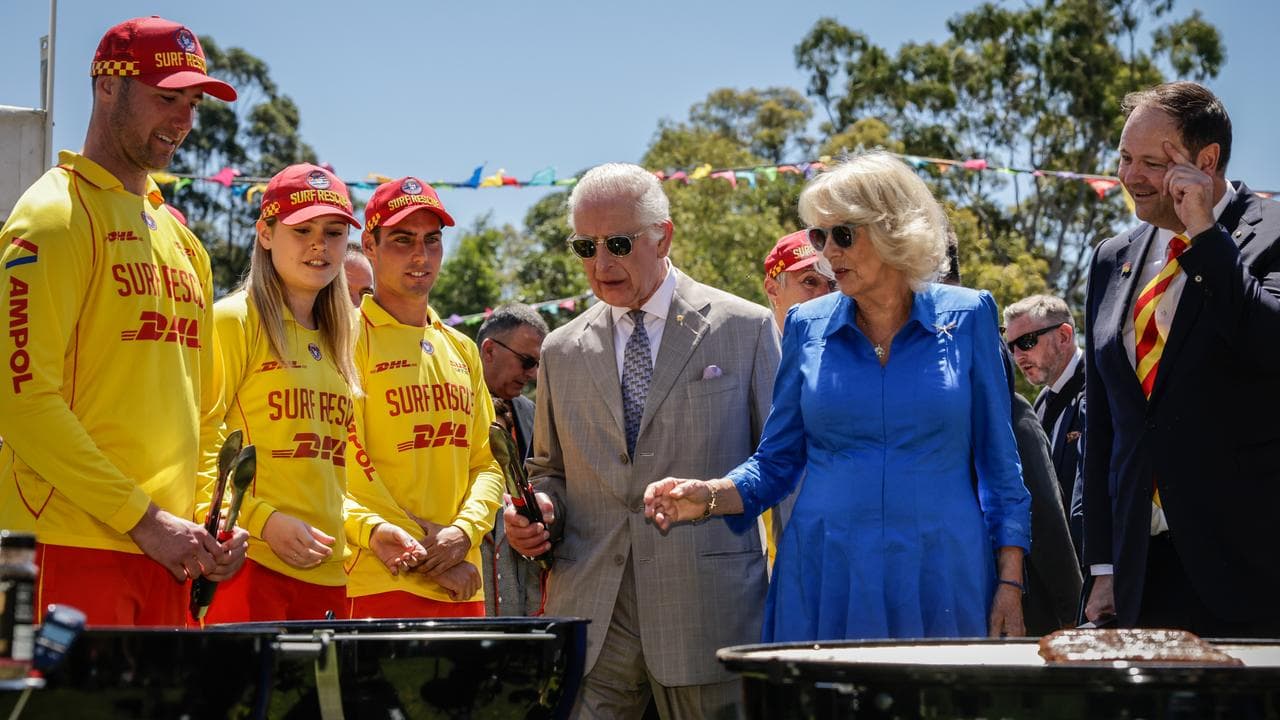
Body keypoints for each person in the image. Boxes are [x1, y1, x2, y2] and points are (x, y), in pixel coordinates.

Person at [645, 151, 1031, 643]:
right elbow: (776, 463)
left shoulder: (970, 314)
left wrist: (1010, 582)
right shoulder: (805, 324)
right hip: (826, 573)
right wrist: (710, 495)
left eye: (843, 236)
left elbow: (1001, 467)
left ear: (893, 230)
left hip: (944, 572)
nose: (828, 254)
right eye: (818, 237)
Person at [504, 162, 777, 719]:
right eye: (586, 247)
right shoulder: (560, 350)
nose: (601, 263)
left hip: (709, 612)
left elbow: (781, 465)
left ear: (663, 237)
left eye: (619, 244)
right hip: (594, 616)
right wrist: (541, 511)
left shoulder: (744, 328)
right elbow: (548, 470)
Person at [0, 16, 248, 626]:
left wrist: (213, 517)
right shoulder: (52, 217)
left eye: (193, 104)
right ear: (108, 87)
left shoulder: (185, 244)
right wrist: (145, 519)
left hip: (170, 554)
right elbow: (22, 401)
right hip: (65, 543)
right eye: (167, 98)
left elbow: (204, 415)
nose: (184, 121)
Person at [1082, 81, 1280, 636]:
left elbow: (1268, 340)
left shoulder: (1273, 231)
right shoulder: (1111, 258)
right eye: (1124, 157)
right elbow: (1105, 426)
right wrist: (1102, 565)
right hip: (1140, 576)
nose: (1130, 176)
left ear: (1207, 161)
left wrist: (1205, 235)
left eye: (1151, 162)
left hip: (1251, 573)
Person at [199, 164, 427, 622]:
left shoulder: (343, 338)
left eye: (334, 232)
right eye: (302, 230)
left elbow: (329, 479)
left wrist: (369, 529)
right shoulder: (233, 321)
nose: (319, 245)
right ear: (266, 234)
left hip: (329, 576)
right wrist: (264, 522)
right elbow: (196, 452)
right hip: (247, 566)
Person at [346, 176, 504, 618]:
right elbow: (344, 469)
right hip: (378, 582)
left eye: (432, 240)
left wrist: (464, 533)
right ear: (370, 246)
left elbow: (488, 462)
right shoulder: (345, 339)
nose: (421, 255)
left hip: (462, 583)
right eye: (402, 240)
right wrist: (427, 555)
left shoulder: (462, 348)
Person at [759, 230, 836, 569]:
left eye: (832, 284)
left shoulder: (851, 360)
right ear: (773, 288)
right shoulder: (748, 360)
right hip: (768, 566)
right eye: (809, 282)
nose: (824, 294)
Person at [475, 303, 549, 617]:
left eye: (538, 365)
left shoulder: (532, 413)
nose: (532, 374)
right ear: (489, 350)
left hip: (521, 589)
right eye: (527, 361)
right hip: (465, 577)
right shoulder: (445, 405)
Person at [1003, 294, 1086, 554]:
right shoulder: (1041, 402)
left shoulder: (1104, 388)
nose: (1018, 356)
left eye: (1026, 341)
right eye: (1011, 347)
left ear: (1063, 336)